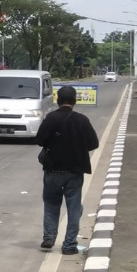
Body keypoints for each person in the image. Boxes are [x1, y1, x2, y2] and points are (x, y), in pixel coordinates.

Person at [36, 85, 99, 254]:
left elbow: (40, 140)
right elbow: (94, 143)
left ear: (58, 101)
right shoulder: (82, 120)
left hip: (53, 170)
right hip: (75, 171)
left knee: (51, 205)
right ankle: (69, 244)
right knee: (74, 207)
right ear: (75, 101)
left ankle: (49, 238)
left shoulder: (51, 118)